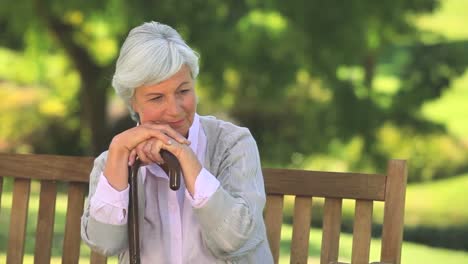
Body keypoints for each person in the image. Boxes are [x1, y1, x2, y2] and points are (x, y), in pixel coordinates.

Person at [80, 21, 274, 263]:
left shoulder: (234, 144)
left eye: (183, 91)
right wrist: (118, 152)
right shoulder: (111, 161)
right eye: (157, 98)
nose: (174, 110)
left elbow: (234, 239)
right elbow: (104, 243)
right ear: (133, 103)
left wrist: (186, 158)